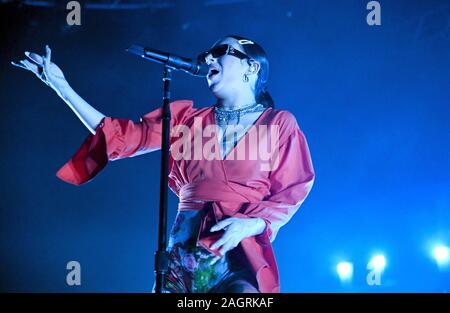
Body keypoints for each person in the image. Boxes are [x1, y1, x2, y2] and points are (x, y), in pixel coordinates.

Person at [12, 35, 315, 293]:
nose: (209, 56)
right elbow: (121, 137)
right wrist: (61, 86)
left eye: (221, 51)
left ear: (252, 66)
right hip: (185, 251)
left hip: (238, 250)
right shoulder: (186, 119)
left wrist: (252, 223)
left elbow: (294, 187)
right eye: (208, 53)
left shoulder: (278, 124)